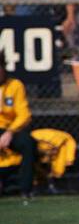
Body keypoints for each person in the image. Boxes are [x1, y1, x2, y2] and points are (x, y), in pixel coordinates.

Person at [0, 52, 38, 199]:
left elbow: (24, 115)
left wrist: (9, 132)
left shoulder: (15, 86)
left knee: (28, 143)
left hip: (9, 130)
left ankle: (26, 190)